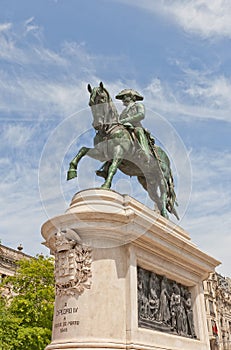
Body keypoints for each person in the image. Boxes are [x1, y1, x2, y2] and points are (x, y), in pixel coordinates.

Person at [96, 88, 151, 179]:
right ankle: (106, 169)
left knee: (139, 132)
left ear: (132, 97)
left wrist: (125, 120)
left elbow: (141, 115)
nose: (123, 100)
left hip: (135, 127)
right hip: (125, 128)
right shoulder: (123, 112)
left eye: (125, 97)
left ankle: (145, 152)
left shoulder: (138, 105)